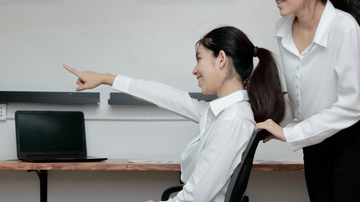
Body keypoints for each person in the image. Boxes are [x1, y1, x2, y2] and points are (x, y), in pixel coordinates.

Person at [64, 26, 285, 202]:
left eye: (199, 58)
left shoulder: (233, 120)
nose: (194, 69)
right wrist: (106, 78)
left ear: (221, 59)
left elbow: (199, 195)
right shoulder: (222, 113)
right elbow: (171, 98)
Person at [255, 0, 360, 201]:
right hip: (314, 145)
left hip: (350, 145)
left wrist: (289, 134)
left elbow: (352, 105)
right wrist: (274, 121)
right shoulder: (282, 29)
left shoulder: (344, 28)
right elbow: (297, 96)